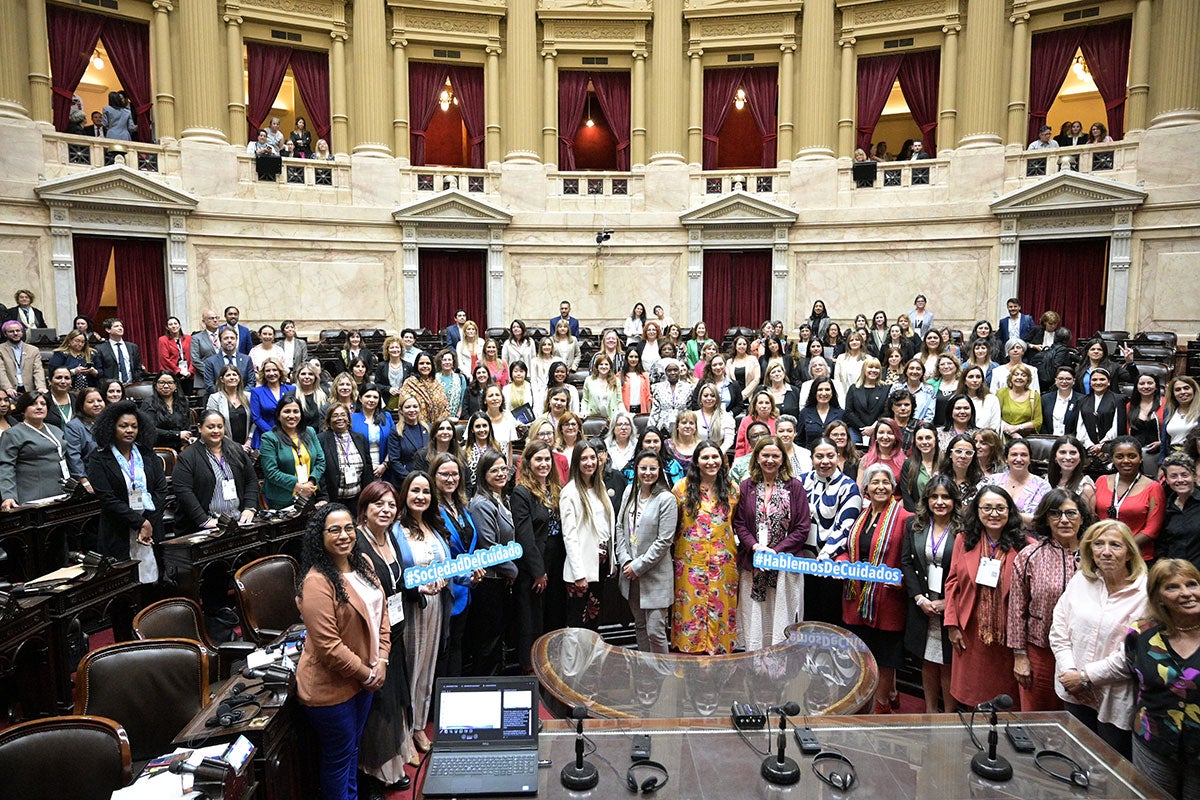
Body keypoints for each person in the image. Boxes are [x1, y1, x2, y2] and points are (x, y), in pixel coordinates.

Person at [295, 503, 390, 800]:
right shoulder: (316, 582)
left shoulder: (363, 562)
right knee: (339, 758)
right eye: (334, 530)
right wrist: (367, 673)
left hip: (365, 678)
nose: (344, 535)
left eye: (348, 528)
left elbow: (381, 613)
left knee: (351, 751)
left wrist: (383, 659)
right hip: (331, 687)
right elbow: (328, 647)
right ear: (319, 536)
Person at [1050, 520, 1148, 760]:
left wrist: (1085, 676)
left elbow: (1132, 653)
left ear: (1129, 553)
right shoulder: (1081, 580)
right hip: (1071, 688)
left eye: (1115, 545)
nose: (1106, 551)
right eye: (1099, 544)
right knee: (1076, 757)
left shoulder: (1145, 593)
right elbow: (1059, 630)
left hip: (1114, 699)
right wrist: (1069, 672)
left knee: (1110, 766)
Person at [352, 481, 416, 792]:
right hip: (371, 635)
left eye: (391, 505)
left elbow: (399, 581)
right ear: (364, 509)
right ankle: (374, 773)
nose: (386, 510)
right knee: (379, 705)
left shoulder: (389, 537)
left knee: (396, 698)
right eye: (379, 504)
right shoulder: (357, 544)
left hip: (396, 627)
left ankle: (392, 765)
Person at [1008, 490, 1092, 711]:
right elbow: (1016, 610)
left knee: (1079, 723)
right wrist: (1020, 656)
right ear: (1046, 518)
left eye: (1071, 513)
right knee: (1038, 718)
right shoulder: (1030, 556)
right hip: (1040, 652)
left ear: (1082, 517)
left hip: (1085, 655)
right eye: (1056, 514)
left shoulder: (1096, 556)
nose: (1064, 520)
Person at [1126, 559, 1200, 798]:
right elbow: (1134, 674)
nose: (1186, 593)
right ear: (1158, 597)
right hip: (1153, 743)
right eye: (1173, 587)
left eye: (1192, 584)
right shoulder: (1141, 633)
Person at [944, 485, 1023, 709]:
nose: (994, 513)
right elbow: (952, 583)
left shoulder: (1025, 545)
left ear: (1010, 511)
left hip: (1006, 639)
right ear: (977, 511)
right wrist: (951, 624)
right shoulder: (964, 539)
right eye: (987, 508)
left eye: (1000, 508)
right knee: (972, 701)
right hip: (969, 633)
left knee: (1005, 703)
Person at [844, 464, 912, 713]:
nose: (880, 487)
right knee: (863, 653)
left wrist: (902, 580)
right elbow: (851, 550)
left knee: (885, 656)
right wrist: (840, 567)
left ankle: (882, 704)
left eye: (885, 482)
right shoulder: (861, 515)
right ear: (866, 488)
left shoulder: (905, 518)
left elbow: (909, 558)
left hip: (887, 597)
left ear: (893, 488)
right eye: (875, 482)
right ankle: (881, 694)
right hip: (857, 595)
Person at [733, 436, 810, 649]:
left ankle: (781, 661)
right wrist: (756, 547)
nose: (770, 460)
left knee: (781, 616)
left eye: (775, 455)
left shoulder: (794, 486)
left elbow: (802, 527)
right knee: (755, 615)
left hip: (785, 566)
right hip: (753, 564)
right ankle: (754, 658)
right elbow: (739, 522)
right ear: (756, 457)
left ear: (782, 459)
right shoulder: (746, 486)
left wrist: (775, 552)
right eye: (765, 455)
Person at [394, 471, 452, 755]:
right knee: (411, 670)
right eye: (415, 491)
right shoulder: (396, 530)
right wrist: (417, 586)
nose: (421, 496)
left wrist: (462, 576)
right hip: (412, 608)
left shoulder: (434, 527)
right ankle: (404, 734)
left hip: (437, 605)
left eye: (426, 492)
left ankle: (419, 727)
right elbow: (393, 575)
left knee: (428, 668)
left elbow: (447, 565)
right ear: (405, 494)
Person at [86, 400, 169, 583]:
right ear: (112, 428)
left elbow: (161, 490)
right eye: (123, 426)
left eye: (134, 426)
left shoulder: (147, 454)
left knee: (153, 578)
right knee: (124, 584)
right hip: (118, 529)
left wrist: (148, 520)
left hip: (151, 524)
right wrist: (140, 522)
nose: (129, 430)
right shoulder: (99, 458)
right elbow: (107, 498)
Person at [670, 440, 739, 654]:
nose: (711, 462)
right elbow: (673, 527)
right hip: (691, 563)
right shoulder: (681, 489)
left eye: (715, 457)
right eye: (705, 457)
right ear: (696, 461)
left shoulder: (733, 489)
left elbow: (735, 523)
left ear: (722, 459)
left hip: (722, 563)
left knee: (721, 610)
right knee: (689, 610)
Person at [902, 475, 962, 713]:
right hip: (924, 603)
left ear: (954, 501)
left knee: (948, 661)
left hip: (950, 604)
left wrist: (949, 603)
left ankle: (948, 713)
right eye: (934, 497)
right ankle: (929, 710)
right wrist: (919, 598)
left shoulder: (964, 529)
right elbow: (906, 562)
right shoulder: (914, 525)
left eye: (945, 497)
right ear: (926, 500)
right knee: (928, 658)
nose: (939, 502)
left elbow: (968, 572)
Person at [616, 449, 679, 654]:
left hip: (654, 574)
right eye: (643, 468)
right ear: (636, 469)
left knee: (655, 631)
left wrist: (638, 565)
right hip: (630, 574)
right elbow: (619, 527)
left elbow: (664, 541)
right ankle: (646, 672)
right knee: (640, 627)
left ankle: (663, 676)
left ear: (660, 470)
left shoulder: (666, 499)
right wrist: (625, 559)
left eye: (653, 468)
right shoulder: (629, 491)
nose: (648, 472)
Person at [511, 441, 562, 670]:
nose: (543, 464)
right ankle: (530, 669)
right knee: (530, 620)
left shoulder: (555, 489)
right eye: (538, 459)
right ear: (528, 463)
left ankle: (549, 666)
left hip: (556, 561)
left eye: (547, 459)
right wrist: (538, 571)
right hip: (534, 565)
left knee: (551, 616)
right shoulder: (522, 492)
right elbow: (525, 537)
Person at [802, 437, 863, 624]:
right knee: (806, 617)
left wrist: (826, 555)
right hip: (801, 563)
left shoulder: (849, 487)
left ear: (838, 456)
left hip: (831, 563)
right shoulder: (801, 481)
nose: (825, 461)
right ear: (812, 458)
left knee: (828, 619)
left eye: (830, 456)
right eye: (819, 456)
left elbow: (845, 527)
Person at [428, 454, 479, 678]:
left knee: (457, 646)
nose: (451, 479)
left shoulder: (461, 505)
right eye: (445, 474)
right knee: (443, 651)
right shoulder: (431, 509)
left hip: (466, 589)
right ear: (434, 476)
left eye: (455, 474)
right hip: (444, 589)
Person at [173, 409, 259, 533]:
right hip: (206, 526)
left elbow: (251, 479)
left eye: (220, 426)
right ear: (200, 428)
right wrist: (204, 520)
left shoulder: (236, 450)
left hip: (238, 521)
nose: (216, 431)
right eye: (211, 427)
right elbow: (183, 492)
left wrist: (249, 508)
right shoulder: (188, 456)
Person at [560, 441, 614, 630]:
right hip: (581, 569)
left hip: (600, 564)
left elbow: (607, 527)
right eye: (584, 458)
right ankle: (576, 660)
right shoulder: (570, 492)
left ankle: (591, 659)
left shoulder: (599, 487)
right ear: (576, 462)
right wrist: (579, 574)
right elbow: (570, 536)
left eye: (593, 457)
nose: (590, 462)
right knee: (577, 625)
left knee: (593, 622)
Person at [1096, 436, 1166, 562]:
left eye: (1132, 456)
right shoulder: (1101, 481)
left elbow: (1152, 530)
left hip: (1138, 557)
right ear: (1112, 459)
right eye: (1119, 456)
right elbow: (1093, 517)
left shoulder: (1154, 487)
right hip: (1103, 555)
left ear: (1140, 459)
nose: (1126, 460)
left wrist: (1121, 548)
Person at [0, 391, 68, 508]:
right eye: (33, 404)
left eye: (43, 404)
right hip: (33, 495)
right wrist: (8, 495)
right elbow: (6, 466)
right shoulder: (12, 434)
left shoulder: (56, 430)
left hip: (61, 491)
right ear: (23, 409)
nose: (39, 407)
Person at [260, 394, 326, 508]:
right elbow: (271, 472)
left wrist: (311, 482)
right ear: (278, 415)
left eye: (296, 411)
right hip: (282, 500)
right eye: (287, 411)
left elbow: (321, 461)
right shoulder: (269, 438)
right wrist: (299, 487)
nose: (292, 415)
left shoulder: (310, 432)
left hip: (309, 493)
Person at [319, 404, 372, 514]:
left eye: (343, 415)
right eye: (335, 415)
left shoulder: (359, 438)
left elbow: (368, 466)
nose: (340, 418)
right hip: (333, 499)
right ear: (329, 420)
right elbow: (320, 471)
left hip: (356, 499)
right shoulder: (322, 439)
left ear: (348, 418)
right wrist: (323, 497)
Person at [64, 387, 104, 491]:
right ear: (81, 405)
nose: (96, 404)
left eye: (99, 400)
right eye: (90, 402)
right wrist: (84, 481)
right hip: (91, 476)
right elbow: (74, 456)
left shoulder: (109, 422)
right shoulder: (74, 426)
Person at [145, 371, 196, 449]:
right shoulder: (149, 403)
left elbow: (187, 425)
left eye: (170, 383)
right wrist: (177, 434)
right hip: (159, 447)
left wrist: (189, 436)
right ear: (156, 385)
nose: (166, 386)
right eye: (162, 382)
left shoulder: (183, 401)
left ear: (175, 385)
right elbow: (150, 429)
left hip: (182, 446)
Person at [1048, 435, 1097, 512]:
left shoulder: (1085, 488)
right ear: (1055, 456)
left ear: (1080, 457)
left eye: (1073, 453)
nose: (1068, 457)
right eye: (1063, 452)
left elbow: (1089, 520)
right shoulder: (1046, 480)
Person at [845, 357, 888, 443]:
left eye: (876, 368)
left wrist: (874, 427)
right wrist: (863, 428)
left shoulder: (885, 388)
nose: (873, 370)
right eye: (870, 367)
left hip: (878, 429)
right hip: (856, 429)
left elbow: (886, 411)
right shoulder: (854, 388)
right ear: (864, 370)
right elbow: (849, 411)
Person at [899, 422, 941, 512]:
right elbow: (907, 496)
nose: (924, 442)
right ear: (915, 441)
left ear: (936, 439)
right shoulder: (908, 464)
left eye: (928, 438)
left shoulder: (945, 463)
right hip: (918, 516)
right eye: (920, 439)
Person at [400, 352, 449, 425]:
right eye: (422, 363)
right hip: (416, 427)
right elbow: (403, 407)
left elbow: (446, 406)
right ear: (416, 365)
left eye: (428, 363)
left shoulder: (436, 383)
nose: (425, 366)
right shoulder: (409, 383)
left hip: (437, 428)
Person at [0, 320, 46, 398]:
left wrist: (40, 386)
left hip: (29, 390)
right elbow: (1, 370)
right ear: (5, 334)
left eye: (18, 331)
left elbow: (38, 370)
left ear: (22, 332)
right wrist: (7, 388)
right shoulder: (1, 349)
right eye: (11, 331)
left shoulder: (33, 350)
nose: (15, 333)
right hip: (8, 390)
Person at [996, 364, 1042, 440]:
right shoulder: (1001, 393)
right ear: (1011, 377)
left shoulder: (1034, 395)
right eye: (1016, 375)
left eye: (1023, 375)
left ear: (1028, 379)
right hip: (1004, 437)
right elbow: (996, 417)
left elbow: (1038, 421)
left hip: (1025, 438)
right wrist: (1012, 433)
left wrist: (1018, 428)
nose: (1019, 377)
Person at [201, 327, 253, 394]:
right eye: (226, 338)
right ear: (220, 341)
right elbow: (209, 385)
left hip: (243, 399)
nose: (229, 341)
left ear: (236, 340)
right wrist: (226, 396)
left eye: (232, 338)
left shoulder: (246, 359)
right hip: (220, 399)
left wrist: (240, 396)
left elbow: (251, 382)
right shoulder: (210, 361)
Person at [647, 358, 692, 434]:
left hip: (682, 426)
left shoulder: (689, 388)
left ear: (679, 371)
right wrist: (650, 430)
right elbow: (655, 410)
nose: (673, 373)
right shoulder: (657, 388)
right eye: (669, 370)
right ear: (665, 372)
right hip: (663, 428)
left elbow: (690, 409)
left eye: (675, 370)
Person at [1161, 377, 1200, 462]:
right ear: (1173, 394)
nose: (1182, 392)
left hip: (1195, 459)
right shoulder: (1168, 411)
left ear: (1194, 390)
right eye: (1178, 390)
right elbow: (1164, 441)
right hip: (1172, 458)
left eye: (1186, 388)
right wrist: (1161, 463)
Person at [798, 377, 843, 449]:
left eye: (827, 389)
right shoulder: (805, 412)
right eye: (820, 390)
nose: (824, 393)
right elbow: (799, 440)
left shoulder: (841, 414)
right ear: (814, 392)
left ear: (832, 393)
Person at [860, 417, 905, 485]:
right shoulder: (865, 460)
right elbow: (860, 488)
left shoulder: (904, 461)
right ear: (875, 436)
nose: (885, 437)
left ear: (896, 437)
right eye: (881, 432)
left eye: (890, 433)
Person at [1042, 365, 1086, 436]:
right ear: (1056, 381)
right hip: (1048, 441)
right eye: (1061, 378)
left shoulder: (1082, 400)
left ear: (1074, 381)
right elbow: (1043, 423)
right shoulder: (1045, 399)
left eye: (1068, 379)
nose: (1064, 381)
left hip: (1072, 441)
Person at [961, 365, 1001, 433]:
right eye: (971, 377)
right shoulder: (958, 400)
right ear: (964, 380)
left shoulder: (992, 399)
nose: (975, 380)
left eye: (978, 377)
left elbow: (995, 426)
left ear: (982, 380)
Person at [582, 354, 621, 421]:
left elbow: (619, 401)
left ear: (610, 367)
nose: (603, 366)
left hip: (611, 417)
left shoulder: (616, 381)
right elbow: (585, 400)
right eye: (601, 364)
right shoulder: (589, 380)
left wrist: (622, 414)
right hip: (593, 417)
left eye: (606, 364)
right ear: (597, 366)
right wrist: (583, 411)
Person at [834, 332, 869, 398]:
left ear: (861, 342)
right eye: (851, 340)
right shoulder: (841, 358)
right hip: (845, 395)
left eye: (857, 340)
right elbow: (837, 379)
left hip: (863, 395)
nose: (854, 342)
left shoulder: (868, 359)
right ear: (848, 343)